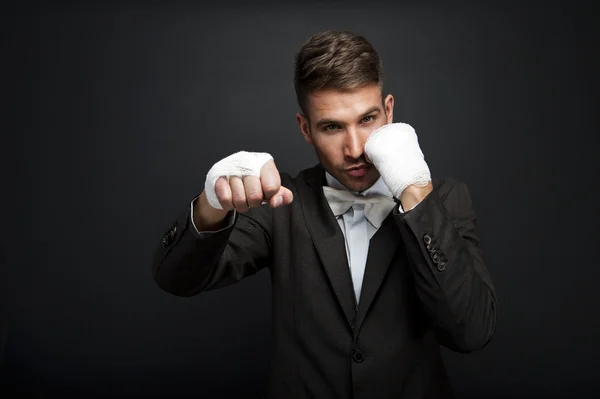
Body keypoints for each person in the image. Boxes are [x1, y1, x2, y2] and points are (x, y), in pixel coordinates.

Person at [151, 30, 497, 399]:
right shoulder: (279, 202)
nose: (354, 149)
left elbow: (471, 332)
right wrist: (211, 202)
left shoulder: (445, 199)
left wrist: (415, 193)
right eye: (332, 127)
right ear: (306, 129)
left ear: (389, 111)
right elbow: (177, 280)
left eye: (367, 119)